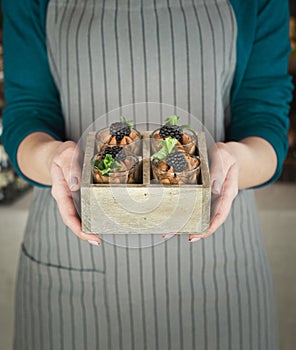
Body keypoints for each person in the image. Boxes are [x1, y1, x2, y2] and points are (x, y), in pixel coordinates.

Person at [1, 0, 293, 349]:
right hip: (73, 262)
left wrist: (235, 160)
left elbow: (265, 116)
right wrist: (53, 156)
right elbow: (27, 113)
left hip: (221, 266)